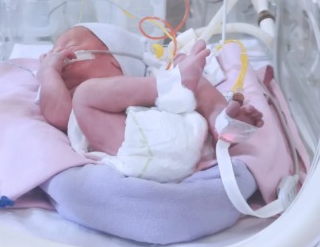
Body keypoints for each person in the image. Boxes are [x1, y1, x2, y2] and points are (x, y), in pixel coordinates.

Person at [37, 22, 264, 182]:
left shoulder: (141, 81)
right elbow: (56, 114)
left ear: (117, 61)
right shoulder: (77, 100)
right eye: (54, 51)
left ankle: (222, 121)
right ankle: (176, 82)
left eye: (70, 47)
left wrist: (176, 74)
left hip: (190, 139)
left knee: (199, 86)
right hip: (132, 148)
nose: (57, 55)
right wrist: (47, 73)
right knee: (85, 95)